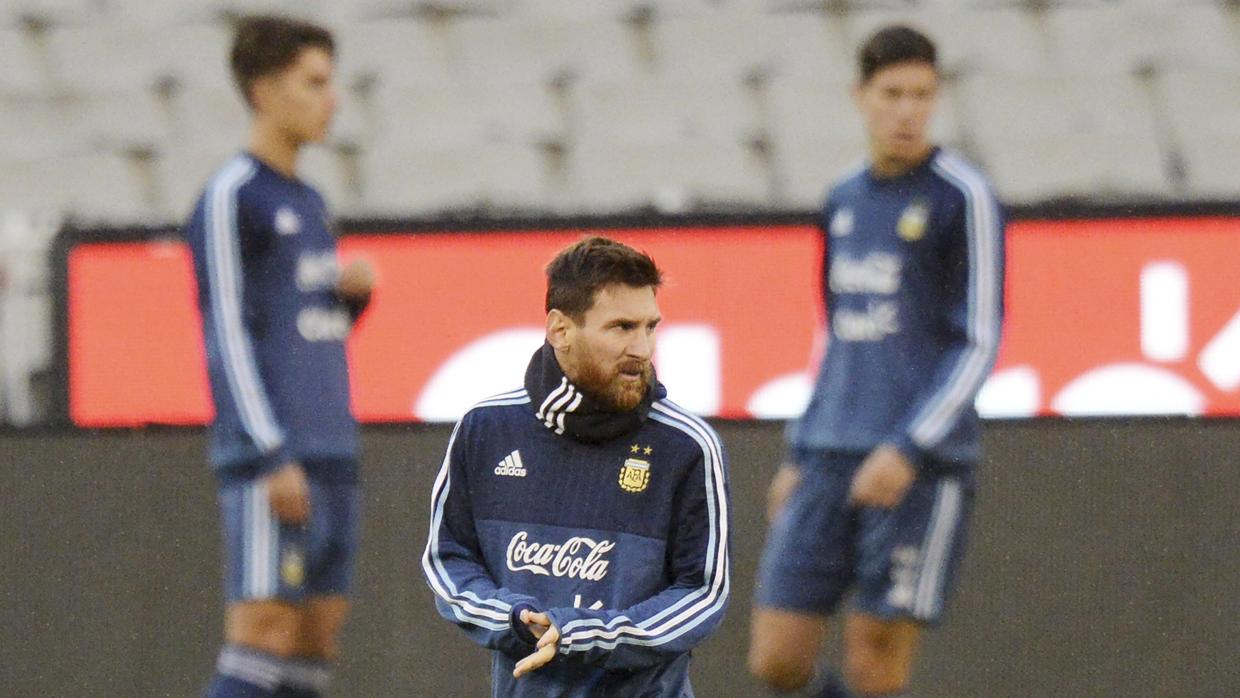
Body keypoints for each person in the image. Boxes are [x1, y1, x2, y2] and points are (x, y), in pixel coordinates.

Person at [747, 25, 1005, 698]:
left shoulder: (961, 196)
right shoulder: (843, 198)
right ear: (861, 96)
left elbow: (978, 339)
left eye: (921, 95)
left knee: (874, 665)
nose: (907, 110)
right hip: (828, 453)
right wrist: (799, 452)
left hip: (914, 466)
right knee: (777, 658)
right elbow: (835, 331)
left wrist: (908, 447)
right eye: (892, 94)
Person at [422, 236, 730, 697]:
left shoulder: (686, 444)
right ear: (560, 330)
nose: (643, 349)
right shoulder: (486, 429)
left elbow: (703, 594)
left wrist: (587, 634)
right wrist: (512, 617)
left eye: (650, 327)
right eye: (621, 327)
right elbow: (449, 561)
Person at [183, 15, 374, 698]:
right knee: (263, 631)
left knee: (314, 636)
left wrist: (352, 302)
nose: (333, 99)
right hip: (277, 457)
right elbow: (227, 334)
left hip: (331, 449)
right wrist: (268, 452)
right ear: (263, 91)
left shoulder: (311, 201)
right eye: (313, 82)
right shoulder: (234, 195)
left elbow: (306, 330)